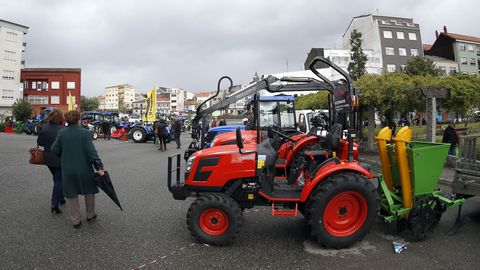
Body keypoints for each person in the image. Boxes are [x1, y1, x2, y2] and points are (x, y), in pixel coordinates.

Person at [51, 110, 105, 228]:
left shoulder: (62, 133)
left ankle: (76, 220)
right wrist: (99, 167)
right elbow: (92, 153)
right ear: (78, 120)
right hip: (84, 168)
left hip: (68, 169)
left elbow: (54, 149)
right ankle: (90, 214)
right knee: (89, 190)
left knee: (71, 193)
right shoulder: (85, 133)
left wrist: (64, 154)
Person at [37, 108, 66, 214]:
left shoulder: (44, 128)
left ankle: (61, 197)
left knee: (57, 178)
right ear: (60, 118)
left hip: (47, 159)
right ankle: (55, 203)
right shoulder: (62, 130)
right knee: (59, 180)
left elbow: (40, 142)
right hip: (59, 158)